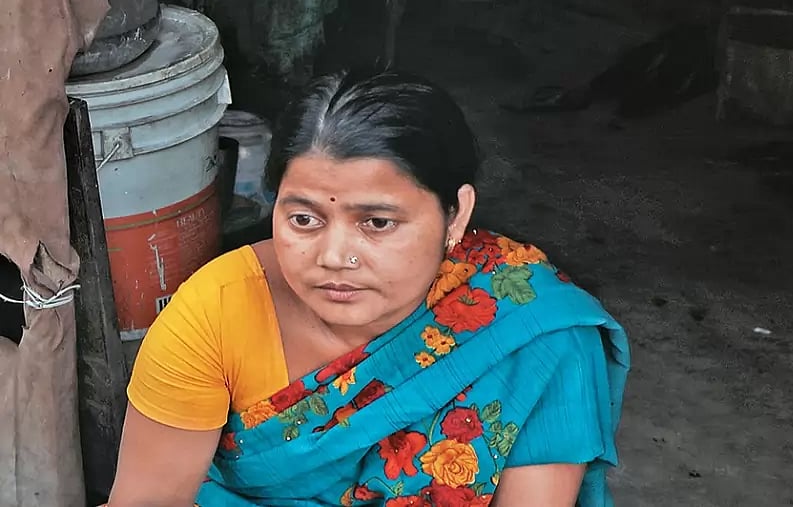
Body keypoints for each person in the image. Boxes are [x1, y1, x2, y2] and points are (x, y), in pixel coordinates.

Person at [105, 69, 629, 506]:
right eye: (304, 219)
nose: (334, 256)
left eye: (378, 223)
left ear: (456, 214)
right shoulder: (215, 315)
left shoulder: (533, 330)